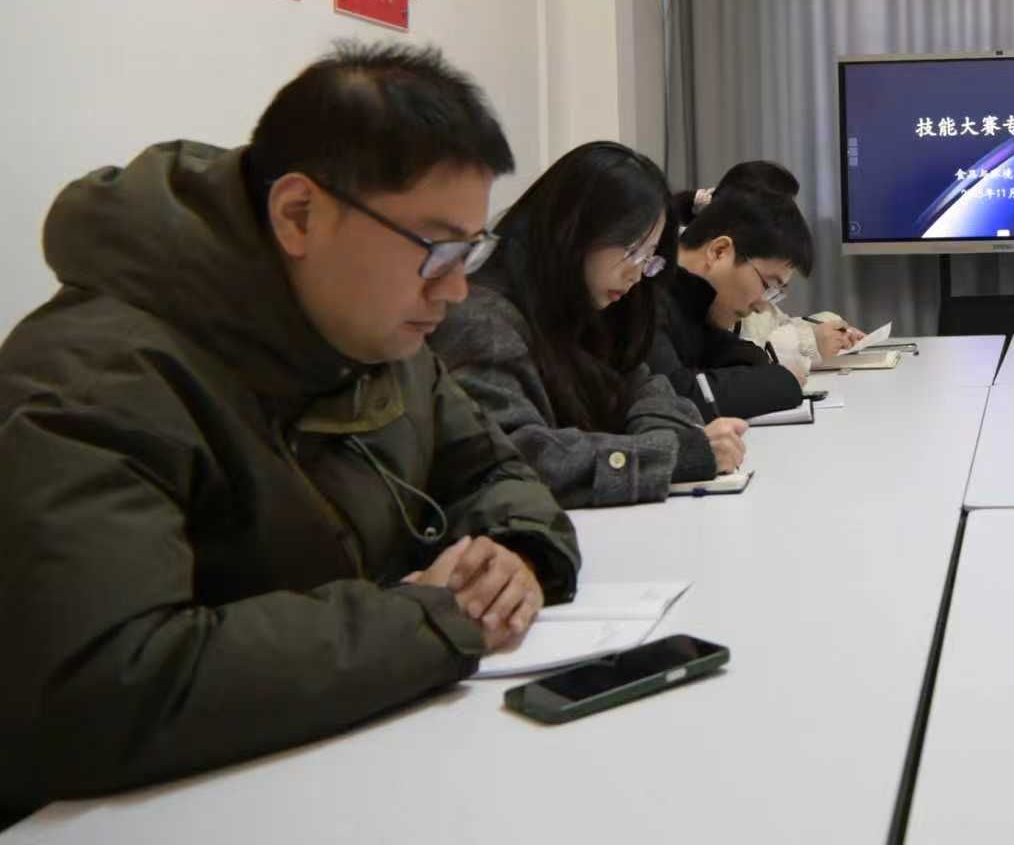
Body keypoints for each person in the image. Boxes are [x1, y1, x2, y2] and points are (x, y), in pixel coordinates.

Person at [0, 43, 581, 816]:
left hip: (362, 778)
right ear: (298, 215)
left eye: (471, 252)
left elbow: (493, 472)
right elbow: (107, 688)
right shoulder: (91, 378)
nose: (455, 290)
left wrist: (514, 553)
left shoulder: (383, 342)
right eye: (437, 250)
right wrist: (429, 620)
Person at [430, 142, 749, 508]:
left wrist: (666, 445)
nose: (636, 275)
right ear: (573, 230)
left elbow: (652, 394)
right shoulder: (481, 321)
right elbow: (515, 459)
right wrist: (668, 456)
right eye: (632, 251)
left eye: (649, 258)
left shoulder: (594, 308)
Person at [675, 159, 864, 372]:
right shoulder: (662, 292)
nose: (761, 305)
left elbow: (772, 325)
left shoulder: (717, 289)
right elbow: (701, 379)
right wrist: (806, 345)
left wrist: (828, 328)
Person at [658, 186, 817, 419]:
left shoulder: (693, 302)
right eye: (767, 285)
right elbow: (675, 396)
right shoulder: (644, 291)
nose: (762, 306)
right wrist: (782, 382)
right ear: (719, 251)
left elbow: (739, 355)